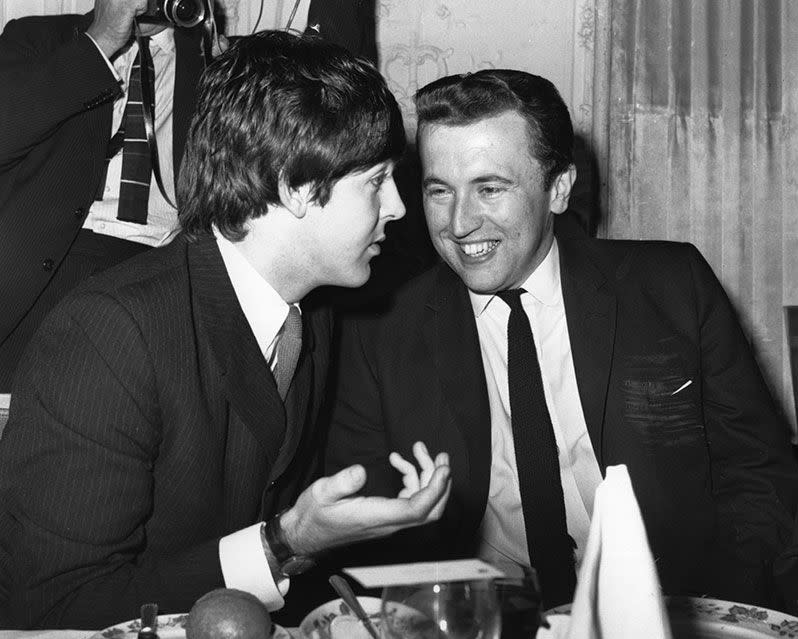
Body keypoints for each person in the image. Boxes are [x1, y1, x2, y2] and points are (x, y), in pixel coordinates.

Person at [0, 30, 451, 629]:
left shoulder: (310, 313)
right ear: (294, 186)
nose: (397, 206)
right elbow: (52, 608)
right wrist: (284, 544)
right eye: (375, 180)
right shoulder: (108, 335)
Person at [325, 69, 798, 611]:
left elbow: (757, 474)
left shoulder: (671, 288)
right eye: (439, 191)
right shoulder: (380, 328)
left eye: (490, 188)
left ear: (559, 189)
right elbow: (361, 522)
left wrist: (712, 612)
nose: (459, 223)